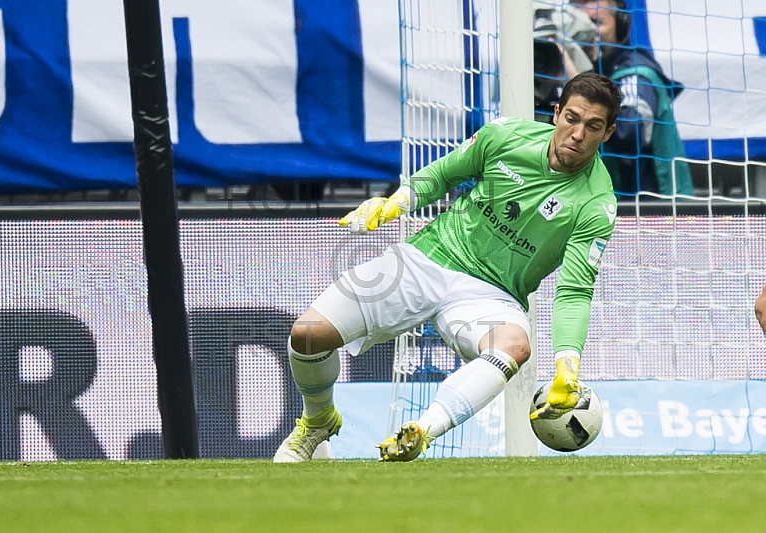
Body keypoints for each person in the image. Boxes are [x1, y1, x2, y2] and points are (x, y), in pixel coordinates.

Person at [273, 72, 622, 463]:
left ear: (607, 134)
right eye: (572, 118)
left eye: (592, 126)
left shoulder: (597, 204)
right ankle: (318, 419)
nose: (578, 133)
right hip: (430, 257)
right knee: (306, 335)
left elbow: (574, 291)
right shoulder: (504, 136)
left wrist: (567, 367)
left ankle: (421, 432)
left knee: (515, 346)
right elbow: (441, 175)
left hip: (492, 295)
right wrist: (397, 202)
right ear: (556, 113)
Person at [570, 0, 694, 198]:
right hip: (604, 206)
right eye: (577, 24)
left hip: (654, 213)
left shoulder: (635, 74)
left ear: (621, 26)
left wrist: (574, 83)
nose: (587, 33)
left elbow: (629, 134)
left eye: (596, 23)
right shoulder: (583, 71)